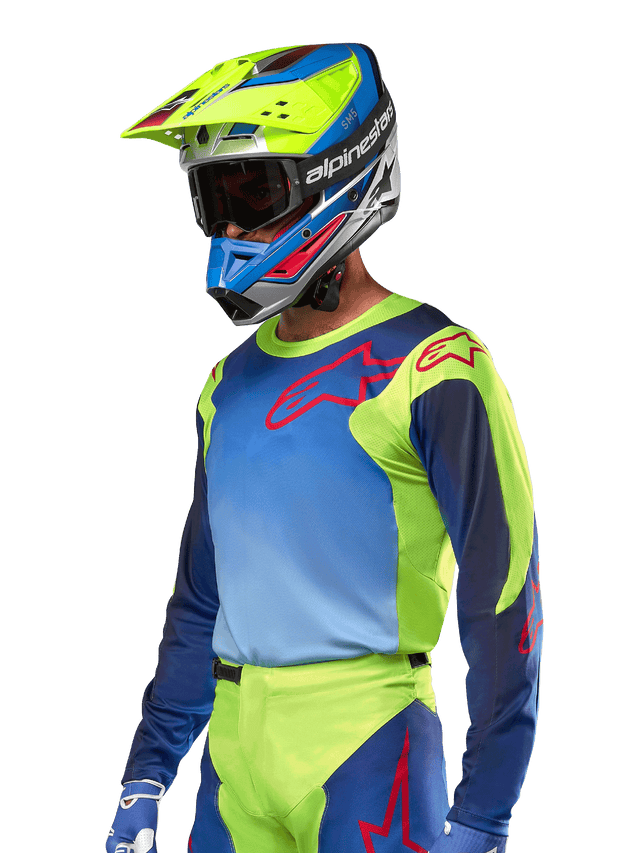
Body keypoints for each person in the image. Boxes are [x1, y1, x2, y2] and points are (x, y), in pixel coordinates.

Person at [107, 42, 543, 853]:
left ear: (334, 177)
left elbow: (503, 600)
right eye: (214, 198)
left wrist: (485, 813)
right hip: (235, 755)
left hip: (366, 740)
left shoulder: (436, 366)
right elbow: (200, 599)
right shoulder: (224, 385)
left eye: (253, 192)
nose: (230, 226)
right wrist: (147, 773)